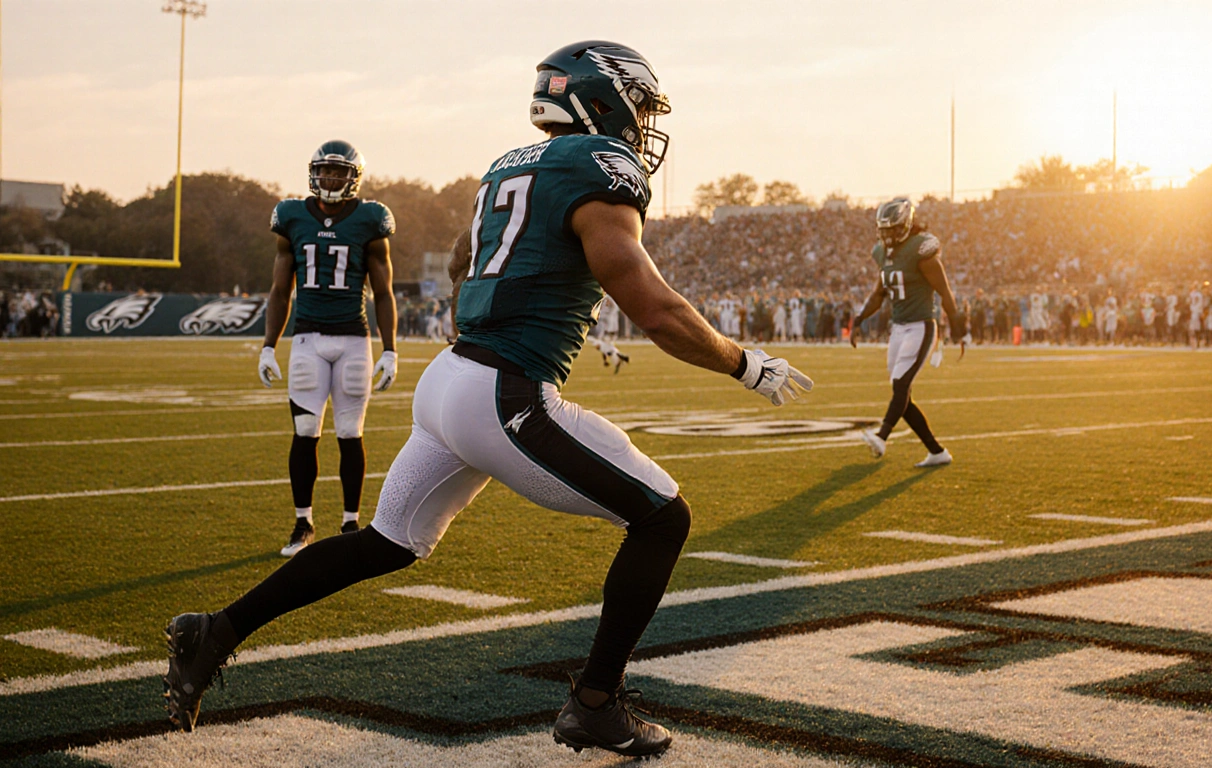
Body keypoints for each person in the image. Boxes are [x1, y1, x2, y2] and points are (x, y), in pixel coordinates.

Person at [162, 41, 812, 759]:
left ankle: (214, 631)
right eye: (642, 104)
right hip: (506, 393)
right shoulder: (604, 167)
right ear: (607, 98)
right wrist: (742, 362)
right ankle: (595, 702)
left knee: (384, 543)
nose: (645, 123)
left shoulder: (508, 164)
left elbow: (467, 262)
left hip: (452, 378)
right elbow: (653, 309)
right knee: (662, 519)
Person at [256, 140, 399, 556]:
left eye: (338, 172)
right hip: (307, 339)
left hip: (354, 339)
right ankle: (303, 524)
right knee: (305, 433)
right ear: (313, 173)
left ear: (353, 177)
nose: (330, 179)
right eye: (325, 171)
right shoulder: (292, 216)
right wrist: (268, 346)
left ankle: (351, 524)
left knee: (350, 434)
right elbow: (281, 291)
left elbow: (384, 293)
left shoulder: (372, 219)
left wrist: (390, 349)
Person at [851, 197, 962, 466]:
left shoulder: (920, 250)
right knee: (901, 391)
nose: (886, 235)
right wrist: (859, 318)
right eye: (883, 229)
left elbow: (944, 291)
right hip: (898, 329)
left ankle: (882, 437)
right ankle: (937, 452)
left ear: (904, 225)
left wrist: (959, 328)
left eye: (891, 229)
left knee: (900, 385)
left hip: (921, 326)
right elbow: (879, 293)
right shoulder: (882, 253)